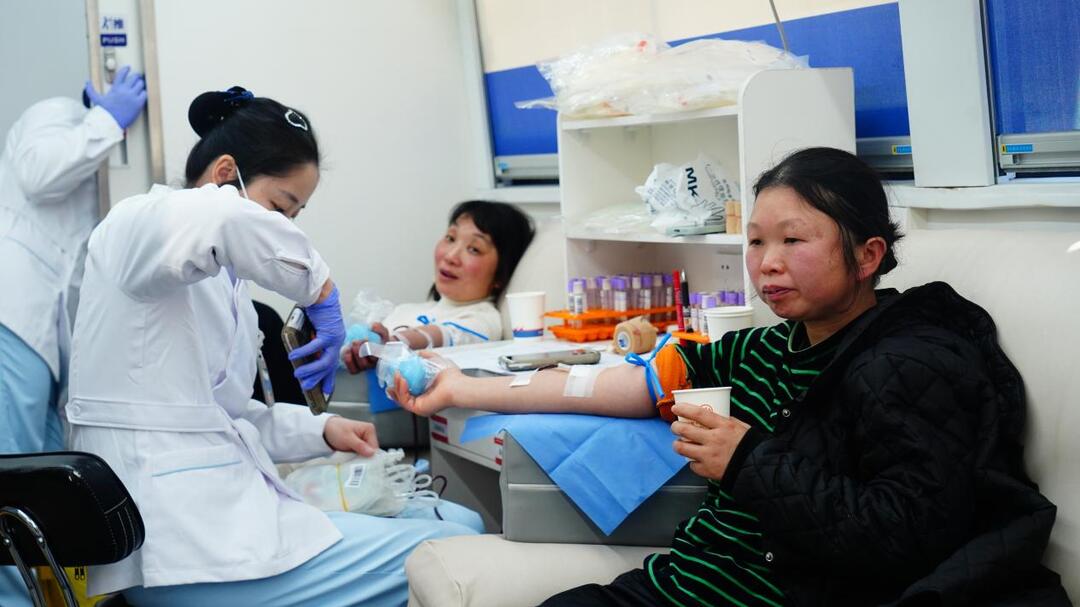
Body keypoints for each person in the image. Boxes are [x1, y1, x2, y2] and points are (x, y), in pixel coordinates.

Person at [391, 148, 1068, 605]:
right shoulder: (767, 347)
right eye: (756, 241)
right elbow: (634, 384)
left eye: (794, 240)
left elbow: (904, 536)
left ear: (867, 257)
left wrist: (745, 459)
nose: (767, 263)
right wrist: (462, 389)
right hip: (680, 583)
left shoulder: (908, 366)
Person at [64, 87, 481, 607]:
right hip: (179, 546)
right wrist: (322, 293)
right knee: (457, 554)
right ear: (225, 174)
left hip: (214, 522)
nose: (283, 228)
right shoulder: (136, 224)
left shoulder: (226, 290)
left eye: (293, 216)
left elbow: (228, 417)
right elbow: (224, 221)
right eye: (279, 208)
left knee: (460, 522)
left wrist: (321, 429)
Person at [0, 66, 145, 607]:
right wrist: (106, 119)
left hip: (39, 336)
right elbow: (39, 173)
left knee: (34, 478)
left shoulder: (100, 158)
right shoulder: (55, 114)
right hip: (12, 315)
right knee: (9, 473)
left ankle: (34, 598)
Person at [341, 199, 534, 372]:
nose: (450, 256)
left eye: (474, 249)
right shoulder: (405, 310)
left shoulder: (484, 320)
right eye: (450, 238)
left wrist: (391, 343)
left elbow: (438, 337)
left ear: (501, 274)